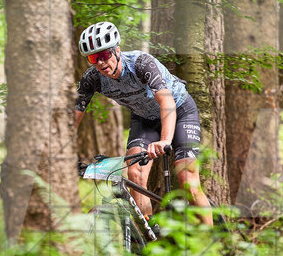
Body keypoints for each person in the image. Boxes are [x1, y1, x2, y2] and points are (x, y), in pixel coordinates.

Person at [73, 21, 213, 226]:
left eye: (104, 55)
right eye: (94, 58)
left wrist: (165, 140)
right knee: (135, 174)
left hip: (180, 110)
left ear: (117, 50)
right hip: (144, 118)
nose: (101, 62)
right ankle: (149, 234)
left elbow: (167, 102)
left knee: (188, 181)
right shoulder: (92, 78)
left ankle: (210, 242)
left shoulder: (140, 63)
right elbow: (73, 117)